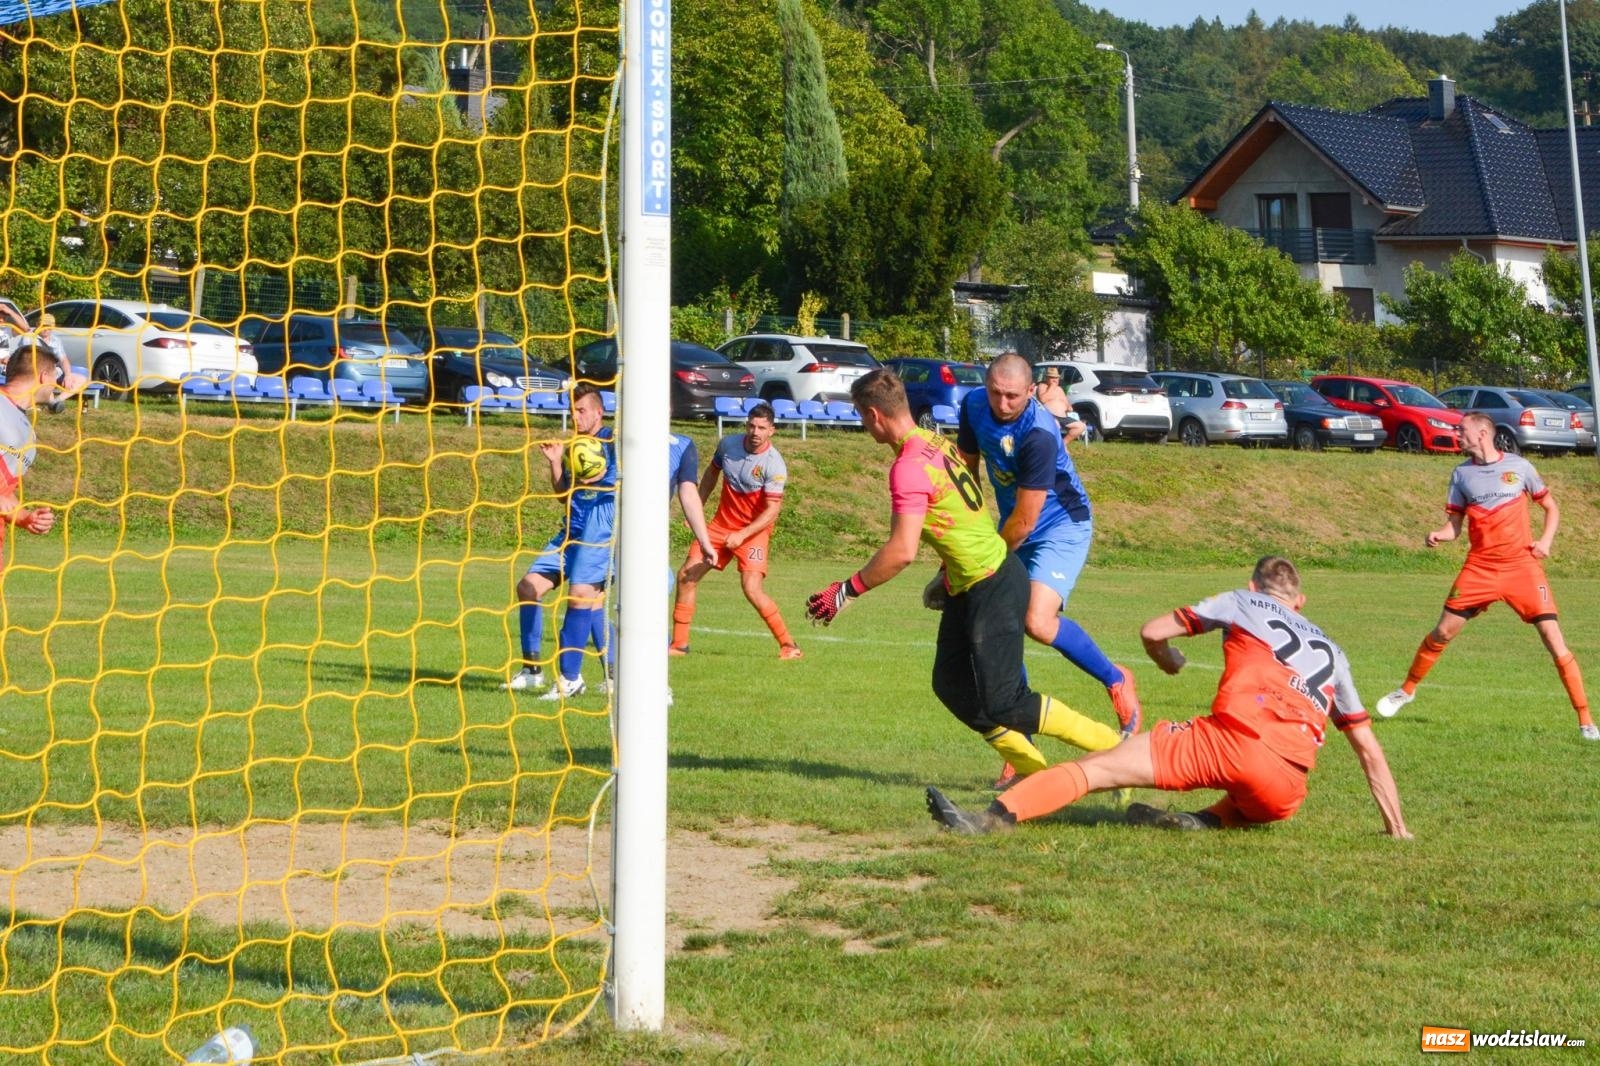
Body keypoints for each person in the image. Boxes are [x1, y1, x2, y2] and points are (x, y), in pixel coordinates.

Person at [926, 556, 1412, 839]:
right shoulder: (1335, 653)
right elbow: (1368, 749)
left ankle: (990, 819)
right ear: (1301, 603)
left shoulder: (1242, 600)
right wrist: (1397, 828)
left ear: (1254, 587)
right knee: (1247, 796)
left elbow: (1153, 630)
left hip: (1233, 741)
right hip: (1287, 787)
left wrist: (1166, 658)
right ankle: (1200, 822)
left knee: (1097, 769)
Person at [805, 369, 1122, 781]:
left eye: (862, 418)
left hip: (992, 581)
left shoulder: (908, 467)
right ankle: (1033, 771)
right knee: (951, 683)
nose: (865, 426)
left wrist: (846, 591)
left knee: (1007, 702)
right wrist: (947, 570)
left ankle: (1114, 748)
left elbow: (901, 551)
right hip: (968, 580)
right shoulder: (934, 441)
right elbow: (961, 514)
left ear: (873, 415)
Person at [957, 354, 1139, 788]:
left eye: (1012, 396)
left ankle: (1116, 678)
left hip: (1060, 526)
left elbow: (1026, 520)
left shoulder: (1038, 433)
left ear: (1031, 391)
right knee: (1000, 627)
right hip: (1013, 524)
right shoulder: (973, 405)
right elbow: (966, 470)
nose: (1002, 403)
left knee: (1036, 621)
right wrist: (968, 532)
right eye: (996, 393)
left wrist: (986, 561)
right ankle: (1021, 748)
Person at [1375, 411, 1595, 740]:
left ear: (1482, 434)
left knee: (1553, 639)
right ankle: (1407, 690)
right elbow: (1454, 527)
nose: (1456, 434)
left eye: (1461, 430)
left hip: (1522, 567)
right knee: (1442, 632)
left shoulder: (1520, 467)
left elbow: (1551, 507)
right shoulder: (1461, 474)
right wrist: (1439, 534)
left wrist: (1546, 541)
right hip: (1479, 567)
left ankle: (1586, 720)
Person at [502, 383, 616, 698]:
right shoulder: (573, 447)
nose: (576, 417)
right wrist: (555, 462)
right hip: (569, 535)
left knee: (589, 600)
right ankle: (532, 670)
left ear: (598, 412)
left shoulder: (612, 443)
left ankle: (610, 674)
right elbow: (563, 496)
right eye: (572, 411)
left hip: (597, 537)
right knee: (528, 587)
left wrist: (602, 477)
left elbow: (621, 484)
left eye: (581, 410)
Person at [670, 403, 801, 660]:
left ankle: (789, 645)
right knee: (686, 575)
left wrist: (743, 534)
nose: (755, 432)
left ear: (772, 431)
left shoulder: (774, 465)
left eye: (761, 428)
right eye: (751, 425)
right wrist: (698, 506)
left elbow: (772, 511)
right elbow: (711, 474)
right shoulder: (728, 445)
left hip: (753, 533)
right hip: (720, 527)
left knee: (752, 588)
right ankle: (679, 644)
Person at [0, 343, 62, 562]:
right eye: (55, 376)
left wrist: (26, 518)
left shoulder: (28, 434)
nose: (57, 384)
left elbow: (5, 494)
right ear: (44, 377)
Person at [1032, 366, 1085, 445]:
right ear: (1047, 378)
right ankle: (1054, 446)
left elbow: (1068, 405)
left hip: (1063, 417)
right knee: (1056, 424)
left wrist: (1068, 407)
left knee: (1081, 426)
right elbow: (1042, 400)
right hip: (1049, 416)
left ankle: (1063, 444)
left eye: (1056, 378)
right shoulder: (1042, 386)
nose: (1055, 380)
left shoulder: (1060, 389)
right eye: (1052, 378)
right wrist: (1052, 387)